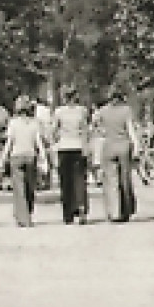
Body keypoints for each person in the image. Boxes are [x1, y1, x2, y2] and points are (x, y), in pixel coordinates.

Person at [0, 94, 52, 227]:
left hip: (16, 157)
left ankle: (23, 217)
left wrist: (3, 160)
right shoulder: (35, 123)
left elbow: (9, 143)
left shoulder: (13, 123)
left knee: (19, 189)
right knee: (30, 187)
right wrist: (44, 158)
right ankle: (27, 213)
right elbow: (39, 142)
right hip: (30, 157)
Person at [94, 84, 144, 223]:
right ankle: (127, 209)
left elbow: (97, 129)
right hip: (124, 146)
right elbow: (131, 129)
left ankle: (115, 212)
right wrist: (137, 146)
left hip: (108, 146)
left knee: (111, 181)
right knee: (125, 179)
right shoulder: (126, 110)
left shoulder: (102, 111)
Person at [52, 84, 92, 224]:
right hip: (78, 147)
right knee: (80, 180)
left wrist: (55, 140)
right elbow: (86, 130)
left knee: (66, 181)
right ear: (75, 96)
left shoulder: (59, 112)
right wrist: (87, 148)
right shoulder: (82, 111)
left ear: (64, 97)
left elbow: (53, 131)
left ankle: (68, 213)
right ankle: (81, 207)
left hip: (64, 147)